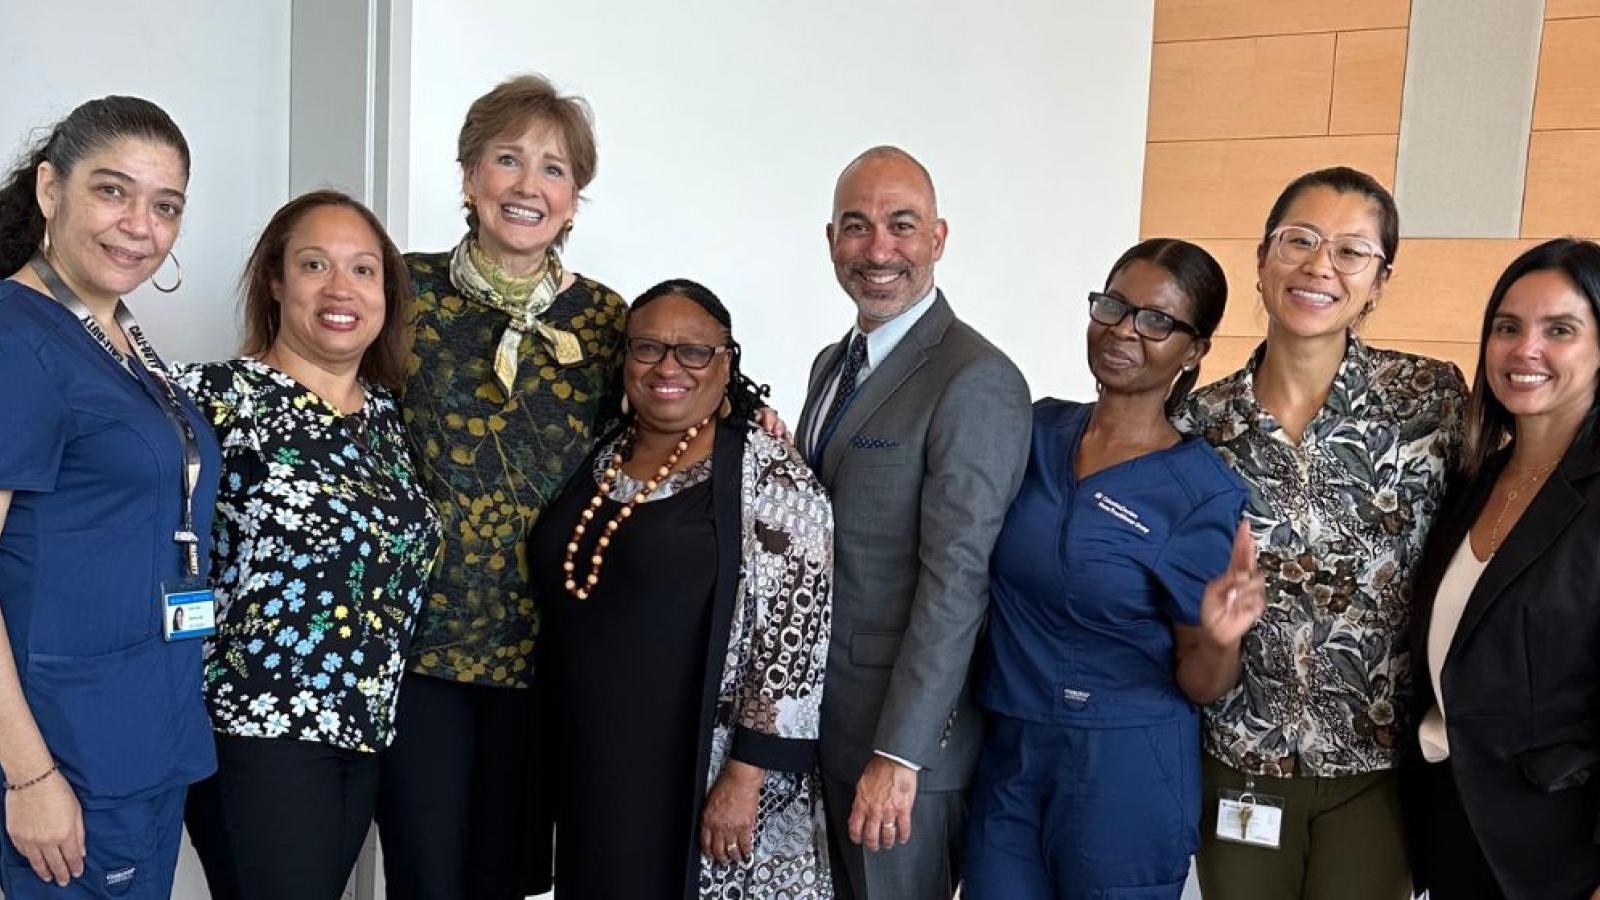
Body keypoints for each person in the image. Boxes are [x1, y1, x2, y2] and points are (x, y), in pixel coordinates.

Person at [1173, 166, 1467, 899]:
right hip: (1242, 761)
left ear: (1379, 280)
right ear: (1263, 258)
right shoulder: (1198, 426)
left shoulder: (1430, 402)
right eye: (1298, 240)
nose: (1319, 266)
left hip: (1379, 769)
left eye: (1350, 251)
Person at [376, 74, 627, 898]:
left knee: (507, 882)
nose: (528, 186)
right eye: (507, 159)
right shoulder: (401, 292)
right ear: (468, 176)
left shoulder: (605, 320)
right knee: (423, 875)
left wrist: (747, 417)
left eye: (553, 169)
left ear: (575, 199)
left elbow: (680, 393)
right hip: (422, 651)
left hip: (546, 653)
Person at [964, 239, 1262, 899]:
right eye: (1113, 306)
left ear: (1194, 350)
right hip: (1010, 751)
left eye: (1157, 320)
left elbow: (1204, 683)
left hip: (1124, 770)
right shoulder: (1034, 432)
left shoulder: (1198, 492)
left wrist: (1220, 633)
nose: (1125, 328)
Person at [174, 190, 441, 899]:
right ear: (275, 280)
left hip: (363, 736)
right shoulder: (213, 401)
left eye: (362, 269)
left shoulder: (388, 418)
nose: (339, 289)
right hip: (256, 732)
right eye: (314, 264)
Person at [530, 278, 833, 898]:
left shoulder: (769, 476)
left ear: (727, 364)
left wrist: (746, 776)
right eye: (648, 348)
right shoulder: (601, 456)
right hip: (595, 764)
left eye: (694, 352)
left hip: (695, 769)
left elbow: (796, 641)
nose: (669, 366)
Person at [0, 96, 222, 899]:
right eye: (112, 190)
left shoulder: (124, 338)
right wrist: (29, 780)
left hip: (144, 737)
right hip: (67, 755)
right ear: (50, 189)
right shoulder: (17, 339)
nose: (140, 225)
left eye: (165, 207)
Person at [796, 146, 1031, 900]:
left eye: (902, 225)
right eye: (856, 227)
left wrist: (900, 755)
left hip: (903, 758)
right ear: (830, 238)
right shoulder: (831, 364)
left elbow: (958, 580)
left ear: (939, 238)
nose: (877, 250)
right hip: (822, 724)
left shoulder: (975, 378)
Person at [1404, 238, 1600, 900]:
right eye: (1507, 327)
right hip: (1454, 817)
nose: (1525, 350)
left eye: (1561, 330)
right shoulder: (1478, 477)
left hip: (1556, 850)